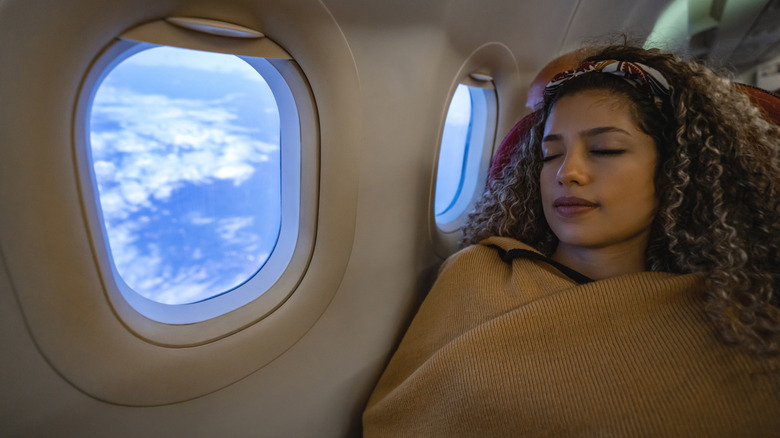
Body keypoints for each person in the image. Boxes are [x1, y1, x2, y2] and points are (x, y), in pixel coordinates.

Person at [363, 44, 780, 436]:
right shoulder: (477, 273)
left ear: (673, 172)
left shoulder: (735, 319)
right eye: (551, 154)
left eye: (606, 149)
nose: (568, 173)